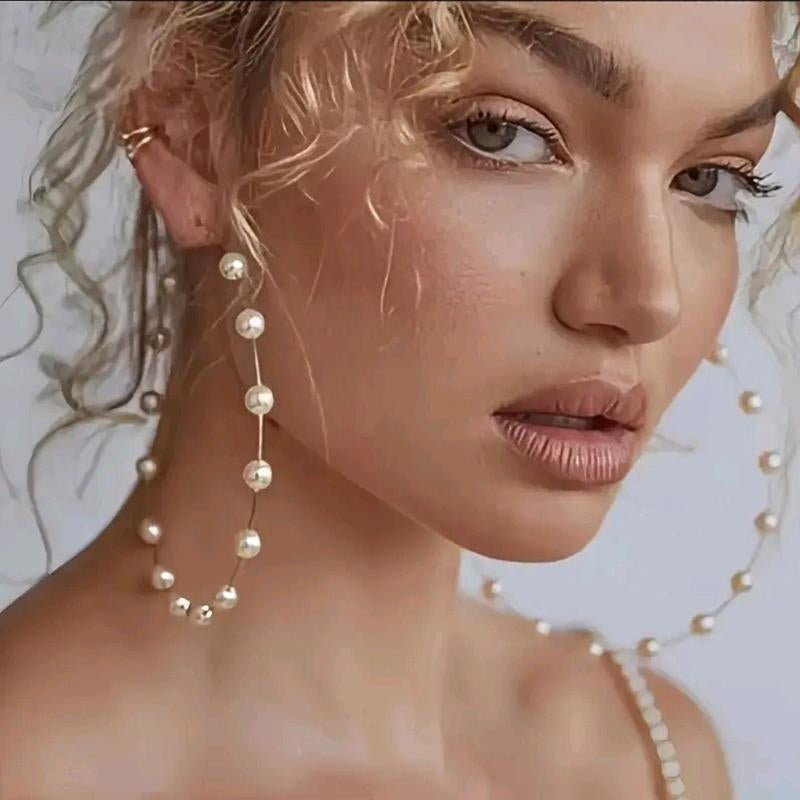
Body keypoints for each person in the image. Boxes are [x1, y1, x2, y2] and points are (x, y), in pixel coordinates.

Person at [0, 2, 796, 798]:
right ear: (192, 127)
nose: (649, 299)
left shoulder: (642, 758)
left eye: (709, 179)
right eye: (501, 134)